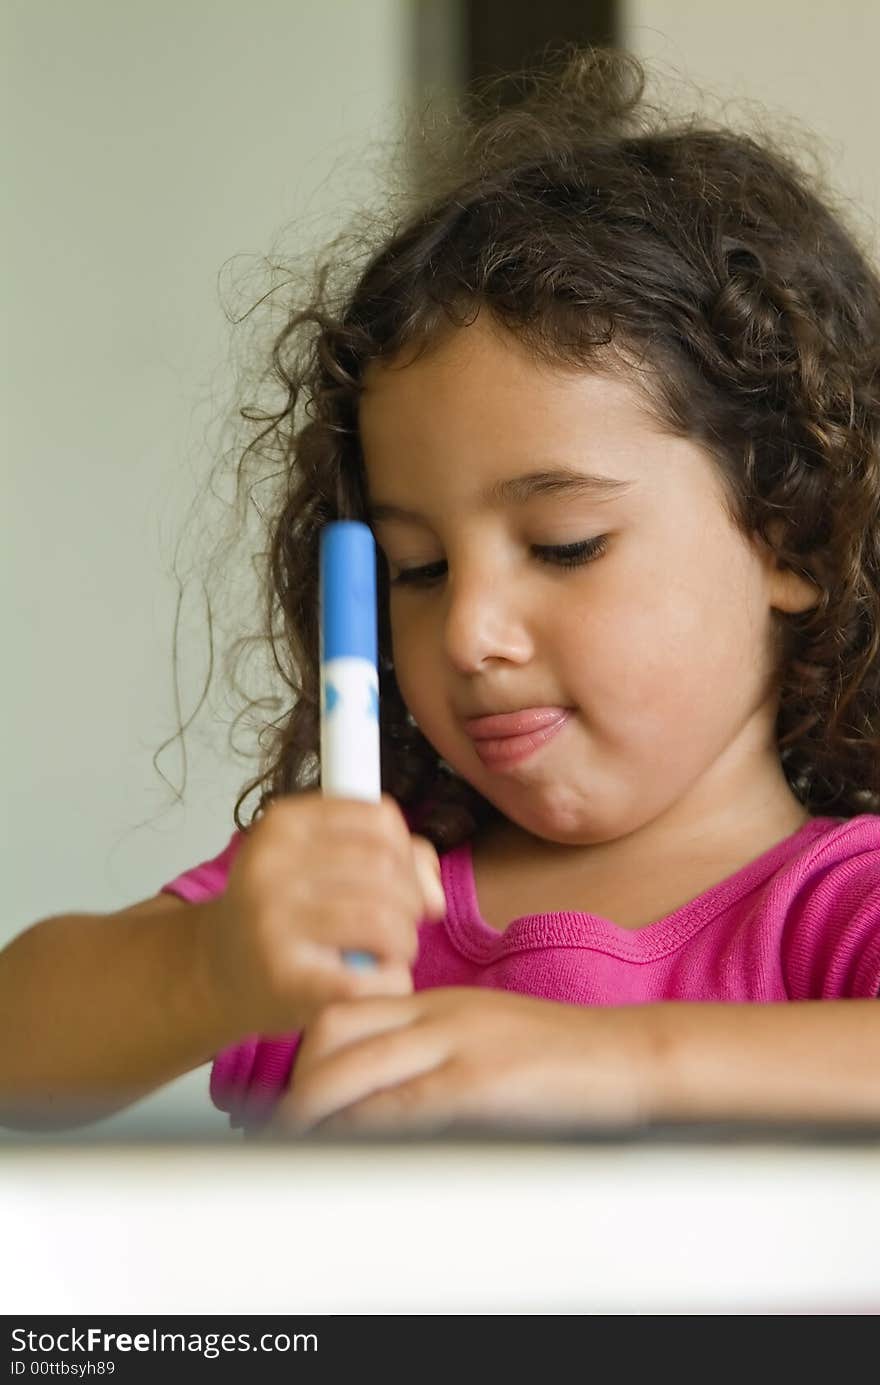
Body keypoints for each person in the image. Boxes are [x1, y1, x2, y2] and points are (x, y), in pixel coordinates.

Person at [4, 46, 880, 1137]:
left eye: (564, 544)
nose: (467, 631)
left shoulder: (840, 910)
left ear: (788, 532)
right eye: (416, 567)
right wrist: (212, 967)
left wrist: (621, 1061)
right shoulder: (362, 891)